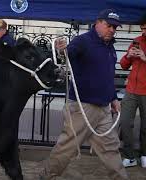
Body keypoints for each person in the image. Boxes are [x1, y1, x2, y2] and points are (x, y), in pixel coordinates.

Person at [39, 9, 129, 180]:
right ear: (98, 22)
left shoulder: (109, 46)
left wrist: (113, 98)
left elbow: (107, 76)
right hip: (82, 109)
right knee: (66, 149)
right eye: (109, 26)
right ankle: (46, 176)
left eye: (115, 27)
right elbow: (68, 55)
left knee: (110, 149)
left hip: (103, 109)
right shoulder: (82, 41)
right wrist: (61, 50)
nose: (112, 30)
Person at [119, 13, 146, 168]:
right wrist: (129, 56)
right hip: (131, 90)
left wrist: (144, 57)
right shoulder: (136, 41)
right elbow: (123, 65)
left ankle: (144, 154)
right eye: (142, 28)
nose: (143, 31)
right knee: (125, 122)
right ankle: (129, 156)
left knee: (145, 126)